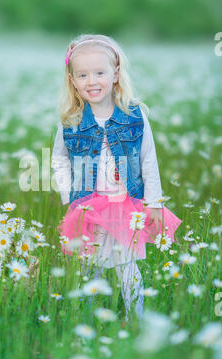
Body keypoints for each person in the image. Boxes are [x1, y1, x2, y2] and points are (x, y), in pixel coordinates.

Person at [51, 34, 182, 322]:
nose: (92, 81)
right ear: (73, 80)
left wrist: (154, 202)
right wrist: (68, 195)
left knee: (127, 267)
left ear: (115, 74)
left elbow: (149, 160)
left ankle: (136, 320)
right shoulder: (71, 121)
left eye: (100, 72)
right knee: (89, 268)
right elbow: (59, 159)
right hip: (88, 206)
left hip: (126, 205)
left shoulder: (135, 116)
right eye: (83, 75)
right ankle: (84, 322)